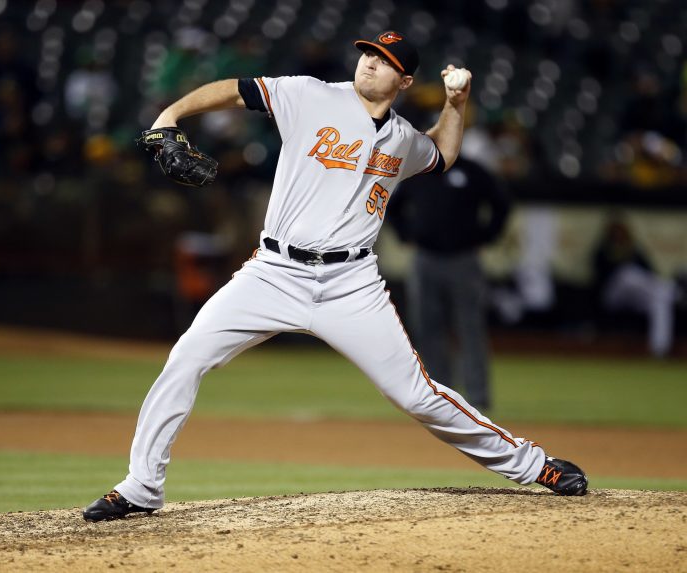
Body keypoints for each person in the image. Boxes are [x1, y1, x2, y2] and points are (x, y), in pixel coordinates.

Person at [84, 31, 587, 521]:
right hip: (274, 273)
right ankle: (141, 487)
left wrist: (457, 103)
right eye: (367, 53)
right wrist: (170, 116)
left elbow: (443, 154)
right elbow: (235, 91)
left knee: (416, 394)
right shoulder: (309, 94)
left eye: (384, 60)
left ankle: (533, 465)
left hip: (352, 284)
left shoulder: (402, 139)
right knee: (186, 358)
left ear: (404, 80)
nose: (370, 62)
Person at [388, 154, 510, 411]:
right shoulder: (417, 172)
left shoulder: (473, 170)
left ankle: (478, 398)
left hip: (464, 259)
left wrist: (486, 236)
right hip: (425, 258)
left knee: (470, 328)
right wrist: (406, 234)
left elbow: (501, 204)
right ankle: (440, 397)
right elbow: (392, 206)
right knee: (427, 328)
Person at [593, 215, 680, 357]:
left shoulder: (635, 251)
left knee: (660, 301)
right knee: (627, 273)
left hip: (636, 298)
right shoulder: (603, 251)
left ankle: (659, 350)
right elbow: (599, 276)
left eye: (621, 231)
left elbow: (649, 272)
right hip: (613, 297)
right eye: (616, 231)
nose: (619, 235)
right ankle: (674, 291)